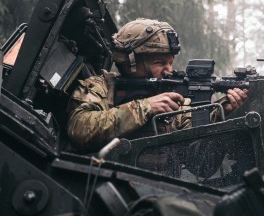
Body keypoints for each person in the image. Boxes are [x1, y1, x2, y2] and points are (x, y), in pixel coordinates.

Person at [67, 18, 248, 153]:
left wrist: (224, 113)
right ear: (131, 62)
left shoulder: (174, 101)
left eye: (171, 62)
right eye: (161, 63)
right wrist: (145, 107)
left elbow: (199, 161)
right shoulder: (100, 88)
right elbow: (80, 130)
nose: (169, 70)